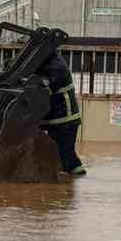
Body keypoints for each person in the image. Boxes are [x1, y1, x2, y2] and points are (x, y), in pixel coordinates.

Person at [40, 46, 85, 176]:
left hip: (65, 119)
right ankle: (69, 184)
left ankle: (71, 184)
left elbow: (46, 88)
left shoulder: (56, 67)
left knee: (65, 153)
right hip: (57, 119)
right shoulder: (49, 62)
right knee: (63, 154)